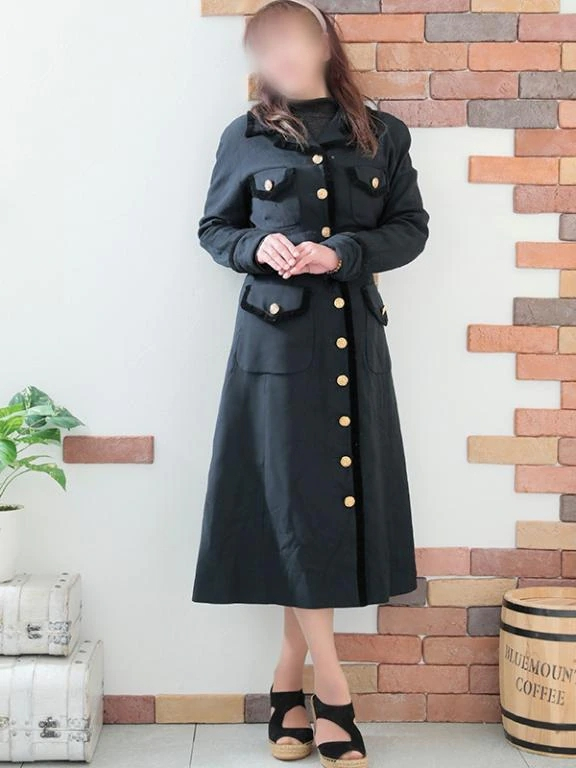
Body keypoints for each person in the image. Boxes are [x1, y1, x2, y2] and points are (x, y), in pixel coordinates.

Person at [192, 1, 430, 766]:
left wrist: (343, 253)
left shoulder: (382, 134)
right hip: (274, 350)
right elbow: (215, 229)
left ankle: (284, 683)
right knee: (297, 511)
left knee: (325, 516)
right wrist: (258, 248)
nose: (283, 56)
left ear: (325, 43)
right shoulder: (245, 136)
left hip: (352, 348)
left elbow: (410, 228)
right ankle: (333, 692)